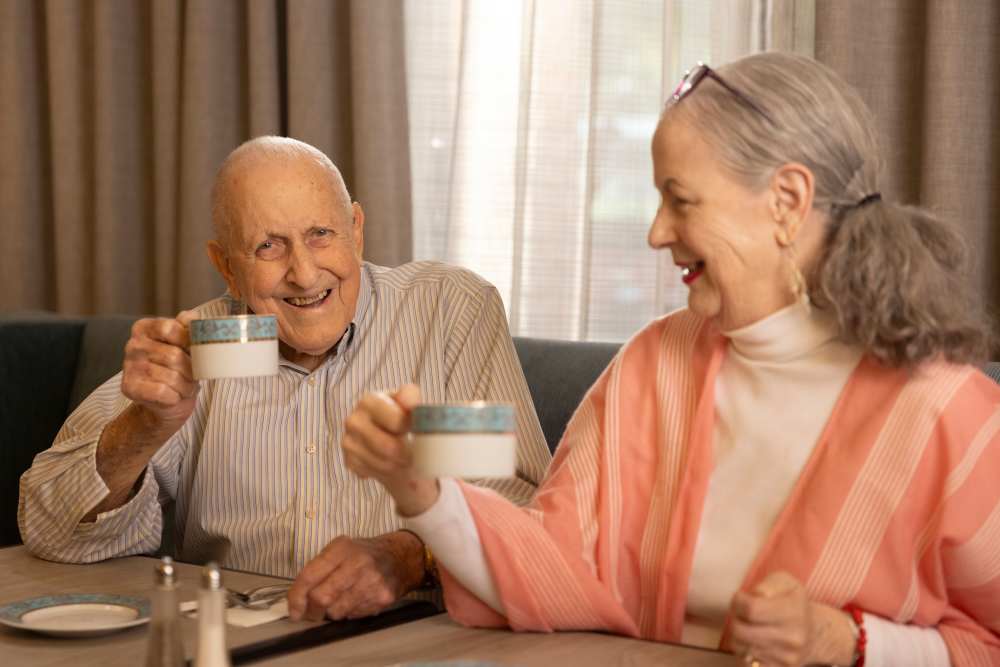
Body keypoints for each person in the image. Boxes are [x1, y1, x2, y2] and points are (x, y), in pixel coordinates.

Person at [337, 52, 1000, 666]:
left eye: (680, 200)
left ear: (788, 202)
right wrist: (418, 489)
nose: (656, 232)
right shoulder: (654, 363)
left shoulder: (949, 412)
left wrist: (850, 639)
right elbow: (548, 570)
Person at [18, 136, 551, 620]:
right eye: (268, 246)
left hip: (414, 643)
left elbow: (524, 509)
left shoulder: (444, 313)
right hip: (242, 643)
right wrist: (146, 425)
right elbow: (53, 530)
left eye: (321, 234)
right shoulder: (201, 343)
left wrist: (411, 554)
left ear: (357, 230)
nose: (304, 272)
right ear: (226, 267)